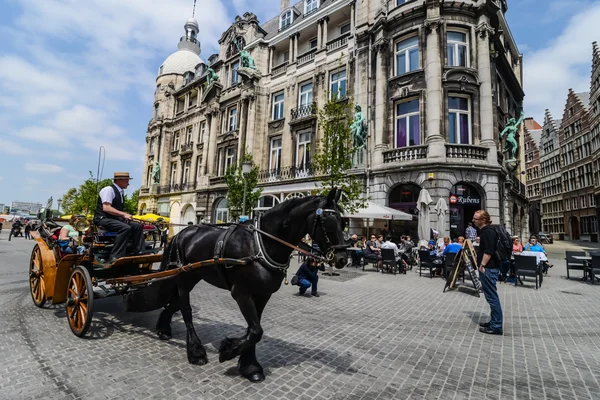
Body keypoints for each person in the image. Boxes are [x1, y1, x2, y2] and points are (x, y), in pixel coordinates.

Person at [93, 172, 144, 263]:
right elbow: (106, 207)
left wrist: (125, 216)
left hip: (114, 219)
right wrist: (124, 214)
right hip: (102, 218)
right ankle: (115, 256)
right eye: (127, 181)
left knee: (138, 226)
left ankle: (137, 251)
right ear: (119, 180)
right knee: (125, 228)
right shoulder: (108, 190)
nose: (128, 183)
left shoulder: (120, 192)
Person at [472, 210, 502, 335]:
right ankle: (493, 321)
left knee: (492, 297)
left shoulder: (488, 232)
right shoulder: (486, 231)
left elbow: (489, 251)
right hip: (488, 267)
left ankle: (496, 325)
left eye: (476, 219)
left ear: (483, 220)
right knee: (491, 297)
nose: (474, 221)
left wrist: (482, 265)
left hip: (488, 268)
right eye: (474, 218)